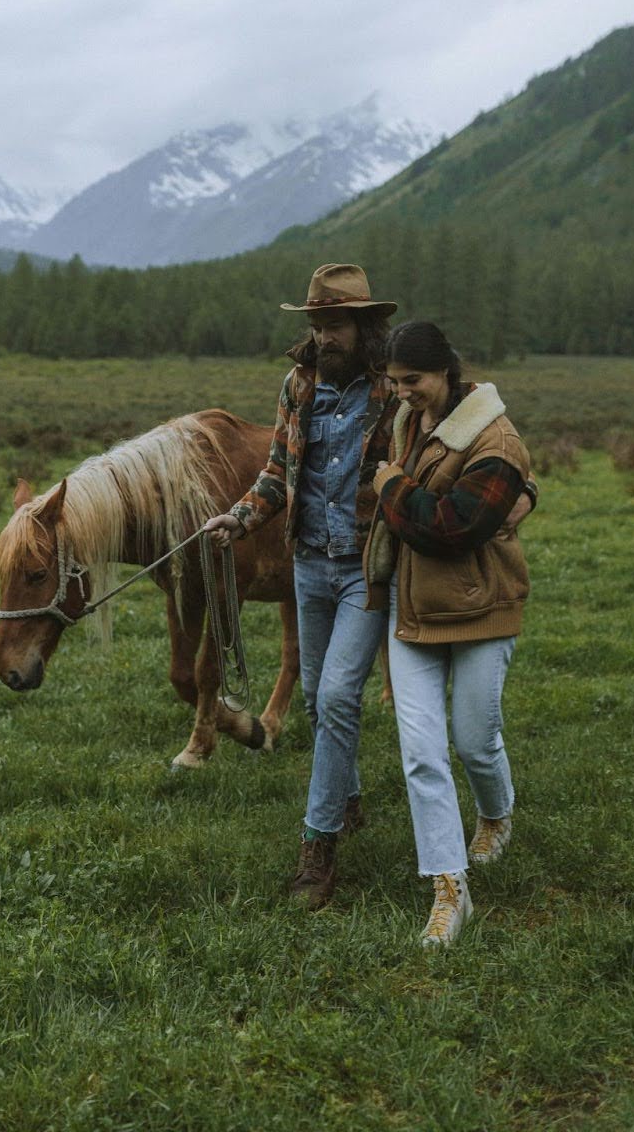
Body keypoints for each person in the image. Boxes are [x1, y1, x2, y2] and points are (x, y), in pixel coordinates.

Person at [204, 262, 399, 910]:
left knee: (339, 694)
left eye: (335, 324)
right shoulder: (299, 384)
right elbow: (277, 472)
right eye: (316, 325)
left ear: (364, 325)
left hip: (364, 567)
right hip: (307, 565)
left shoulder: (391, 393)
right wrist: (238, 517)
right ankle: (348, 799)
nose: (323, 337)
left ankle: (318, 851)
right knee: (316, 696)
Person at [364, 320, 534, 948]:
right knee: (422, 754)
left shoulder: (495, 441)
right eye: (395, 382)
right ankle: (448, 888)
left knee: (474, 740)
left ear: (447, 372)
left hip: (483, 607)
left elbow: (450, 528)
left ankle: (496, 812)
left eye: (413, 381)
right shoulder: (412, 421)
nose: (402, 392)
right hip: (411, 612)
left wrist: (390, 485)